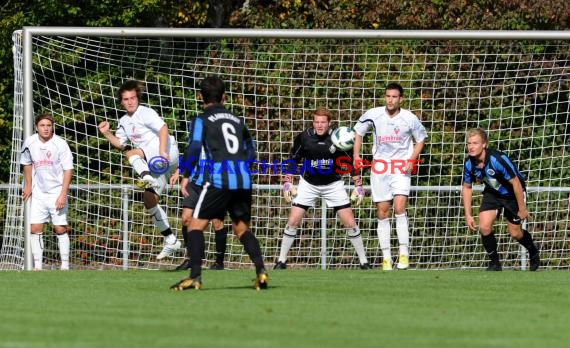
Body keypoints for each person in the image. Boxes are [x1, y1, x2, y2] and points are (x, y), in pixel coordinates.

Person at [170, 76, 268, 290]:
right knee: (241, 229)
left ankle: (195, 276)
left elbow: (195, 148)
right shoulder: (237, 120)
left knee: (195, 225)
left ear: (200, 96)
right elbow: (250, 151)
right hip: (243, 177)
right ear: (224, 96)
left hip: (219, 178)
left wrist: (185, 174)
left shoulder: (200, 120)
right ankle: (261, 271)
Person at [274, 107, 371, 270]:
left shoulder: (339, 138)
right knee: (293, 221)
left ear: (329, 123)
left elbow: (351, 163)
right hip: (308, 184)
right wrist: (288, 182)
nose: (319, 125)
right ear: (313, 122)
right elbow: (293, 160)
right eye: (316, 122)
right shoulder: (304, 137)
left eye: (323, 122)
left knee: (350, 223)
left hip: (333, 185)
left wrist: (358, 185)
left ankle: (364, 262)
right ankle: (281, 261)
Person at [98, 80, 181, 260]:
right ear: (121, 102)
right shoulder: (124, 121)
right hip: (154, 163)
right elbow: (120, 144)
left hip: (167, 152)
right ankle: (170, 239)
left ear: (138, 98)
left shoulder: (146, 112)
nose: (130, 102)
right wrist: (106, 133)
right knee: (149, 200)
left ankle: (145, 176)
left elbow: (163, 128)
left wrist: (162, 151)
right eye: (126, 99)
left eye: (133, 98)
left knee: (132, 153)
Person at [353, 82, 427, 271]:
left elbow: (421, 139)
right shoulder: (373, 114)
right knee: (382, 212)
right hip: (380, 168)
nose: (390, 100)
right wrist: (356, 155)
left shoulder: (409, 118)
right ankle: (386, 258)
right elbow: (358, 132)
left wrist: (412, 159)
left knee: (400, 207)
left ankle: (404, 254)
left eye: (394, 96)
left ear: (401, 99)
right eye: (388, 96)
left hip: (401, 167)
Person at [462, 128, 540, 271]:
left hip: (512, 195)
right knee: (484, 227)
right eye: (468, 143)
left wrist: (522, 209)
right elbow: (467, 187)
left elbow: (516, 183)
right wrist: (467, 214)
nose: (471, 147)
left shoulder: (497, 160)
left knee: (515, 232)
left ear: (484, 144)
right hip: (492, 194)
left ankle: (533, 251)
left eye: (475, 143)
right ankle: (495, 263)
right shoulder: (469, 164)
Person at [21, 113, 74, 270]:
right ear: (37, 127)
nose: (45, 128)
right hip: (39, 193)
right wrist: (29, 184)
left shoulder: (60, 144)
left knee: (60, 228)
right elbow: (26, 162)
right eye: (42, 125)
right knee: (35, 228)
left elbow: (68, 169)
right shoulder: (30, 142)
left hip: (57, 192)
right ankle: (38, 266)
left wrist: (63, 194)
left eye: (48, 126)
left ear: (52, 127)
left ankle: (65, 266)